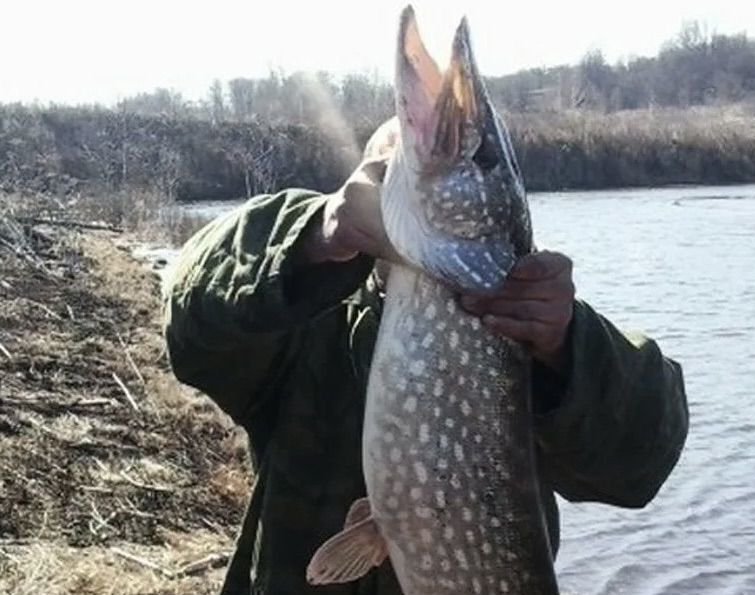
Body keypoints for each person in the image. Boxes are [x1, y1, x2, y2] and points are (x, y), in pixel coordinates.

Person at [163, 122, 689, 595]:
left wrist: (569, 342)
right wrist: (316, 233)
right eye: (384, 173)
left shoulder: (527, 336)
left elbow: (640, 463)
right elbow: (190, 315)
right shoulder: (302, 328)